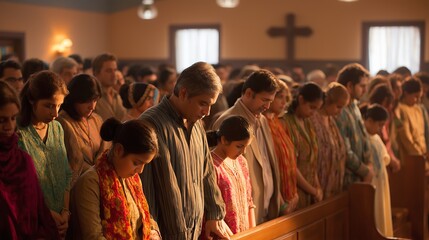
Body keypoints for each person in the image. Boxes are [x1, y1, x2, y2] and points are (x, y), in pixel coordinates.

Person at [139, 62, 230, 240]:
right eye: (203, 103)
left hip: (194, 230)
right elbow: (144, 188)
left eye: (211, 104)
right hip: (163, 233)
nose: (207, 111)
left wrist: (214, 213)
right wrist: (150, 228)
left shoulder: (197, 124)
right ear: (183, 93)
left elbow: (207, 172)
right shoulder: (151, 124)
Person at [213, 69, 285, 224]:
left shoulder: (263, 120)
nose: (267, 106)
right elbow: (220, 174)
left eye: (270, 101)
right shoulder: (227, 121)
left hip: (267, 209)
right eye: (264, 100)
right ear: (248, 93)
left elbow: (267, 164)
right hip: (246, 213)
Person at [70, 118, 161, 240]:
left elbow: (146, 218)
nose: (140, 170)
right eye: (136, 163)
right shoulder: (91, 182)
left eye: (145, 164)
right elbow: (94, 236)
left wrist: (154, 232)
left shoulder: (132, 179)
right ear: (119, 150)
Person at [0, 80, 59, 239]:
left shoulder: (23, 160)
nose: (9, 126)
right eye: (2, 120)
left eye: (13, 118)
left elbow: (39, 210)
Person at [17, 70, 72, 238]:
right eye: (49, 105)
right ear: (32, 101)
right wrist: (46, 213)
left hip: (60, 218)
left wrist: (65, 212)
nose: (55, 113)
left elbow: (66, 174)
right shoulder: (19, 134)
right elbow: (20, 185)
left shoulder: (57, 128)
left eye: (59, 106)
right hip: (31, 219)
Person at [204, 116, 256, 236]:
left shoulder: (242, 162)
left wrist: (253, 234)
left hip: (245, 233)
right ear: (224, 140)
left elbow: (249, 201)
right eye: (239, 146)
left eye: (246, 147)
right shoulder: (210, 165)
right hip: (224, 234)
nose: (243, 152)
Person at [57, 74, 108, 186]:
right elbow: (74, 160)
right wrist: (94, 173)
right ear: (74, 99)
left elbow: (105, 148)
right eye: (87, 101)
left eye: (95, 100)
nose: (92, 106)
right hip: (78, 185)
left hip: (101, 181)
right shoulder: (62, 122)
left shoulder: (96, 119)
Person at [283, 82, 324, 208]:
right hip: (295, 190)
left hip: (310, 188)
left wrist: (317, 186)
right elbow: (291, 165)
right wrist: (312, 190)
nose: (314, 113)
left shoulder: (307, 123)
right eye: (312, 107)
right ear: (301, 100)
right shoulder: (285, 123)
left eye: (317, 109)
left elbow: (312, 160)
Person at [263, 79, 299, 213]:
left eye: (286, 98)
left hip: (290, 192)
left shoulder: (278, 122)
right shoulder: (263, 124)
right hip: (276, 198)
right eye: (280, 97)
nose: (284, 102)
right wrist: (282, 202)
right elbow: (268, 166)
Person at [335, 63, 373, 188]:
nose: (365, 90)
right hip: (348, 178)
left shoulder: (354, 106)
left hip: (359, 175)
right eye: (362, 86)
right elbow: (345, 150)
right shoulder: (339, 110)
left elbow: (364, 136)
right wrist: (364, 170)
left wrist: (369, 164)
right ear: (350, 85)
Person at [309, 82, 348, 198]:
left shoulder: (331, 121)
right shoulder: (313, 119)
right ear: (328, 102)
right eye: (338, 107)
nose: (339, 111)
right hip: (320, 181)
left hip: (334, 183)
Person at [362, 104, 393, 237]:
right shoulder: (363, 138)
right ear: (369, 121)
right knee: (375, 212)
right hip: (372, 182)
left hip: (381, 180)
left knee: (383, 210)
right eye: (379, 125)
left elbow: (385, 157)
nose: (381, 129)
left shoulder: (376, 137)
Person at [396, 77, 426, 159]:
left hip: (423, 153)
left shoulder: (418, 109)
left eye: (419, 97)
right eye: (415, 96)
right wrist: (419, 154)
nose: (418, 100)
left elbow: (421, 134)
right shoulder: (400, 109)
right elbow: (406, 137)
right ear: (405, 93)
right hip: (411, 156)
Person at [92, 53, 127, 121]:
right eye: (109, 71)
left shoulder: (117, 96)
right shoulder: (92, 98)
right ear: (96, 73)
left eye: (115, 70)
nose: (114, 75)